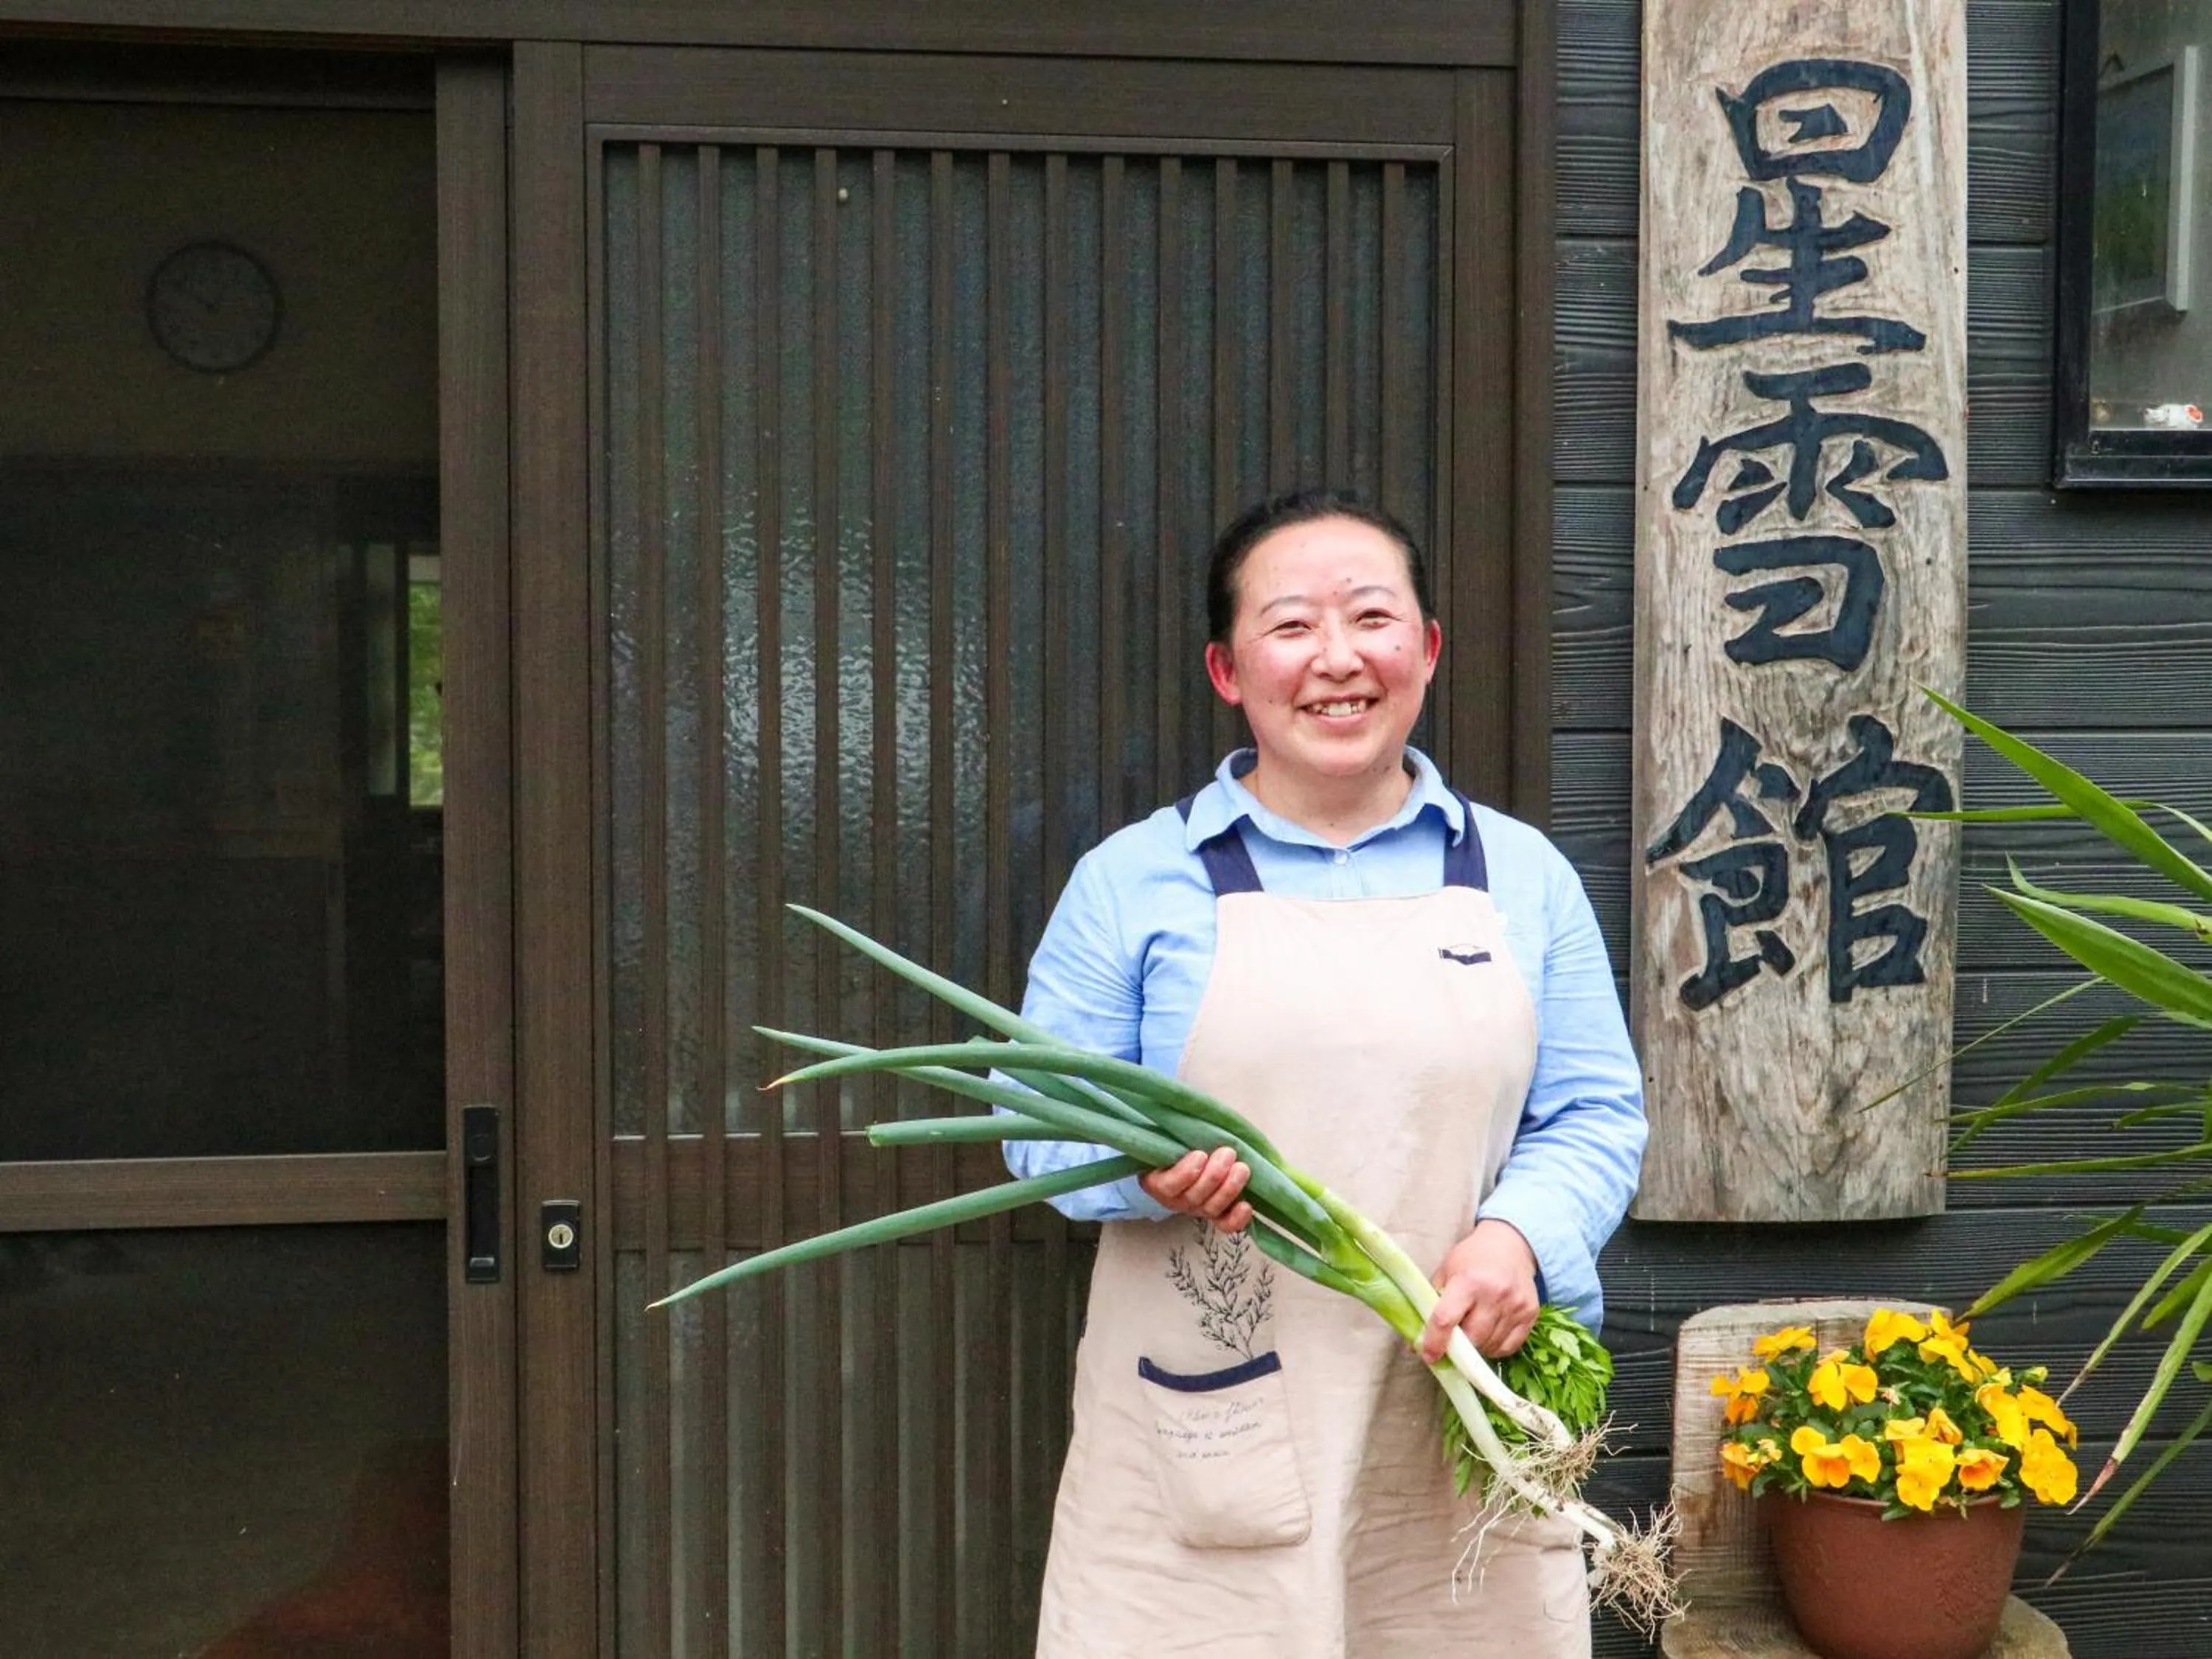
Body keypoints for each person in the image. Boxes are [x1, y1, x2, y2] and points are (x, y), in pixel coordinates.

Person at [1003, 487, 1646, 1659]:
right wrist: (1145, 1171)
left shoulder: (1521, 873)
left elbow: (1595, 1111)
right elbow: (1034, 1129)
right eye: (1291, 626)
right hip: (1215, 1410)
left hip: (1460, 1403)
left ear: (1429, 647)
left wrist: (1520, 1238)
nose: (1337, 659)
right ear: (1227, 670)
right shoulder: (1136, 879)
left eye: (1372, 618)